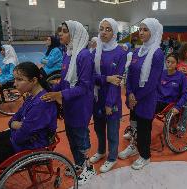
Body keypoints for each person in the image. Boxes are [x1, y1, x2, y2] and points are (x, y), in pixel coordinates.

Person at [0, 62, 58, 189]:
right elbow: (14, 119)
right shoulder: (31, 97)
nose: (14, 83)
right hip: (17, 137)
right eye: (15, 79)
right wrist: (14, 124)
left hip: (28, 144)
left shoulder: (42, 104)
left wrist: (16, 126)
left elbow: (21, 136)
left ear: (34, 80)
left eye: (19, 79)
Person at [41, 20, 95, 185]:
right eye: (61, 31)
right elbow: (65, 81)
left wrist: (60, 93)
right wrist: (51, 88)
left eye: (64, 31)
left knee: (80, 136)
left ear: (75, 34)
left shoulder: (84, 55)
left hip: (80, 105)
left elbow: (84, 87)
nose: (60, 34)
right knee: (71, 135)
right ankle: (79, 164)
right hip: (69, 103)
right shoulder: (68, 53)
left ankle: (89, 168)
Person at [118, 18, 164, 170]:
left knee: (144, 128)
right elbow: (130, 74)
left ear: (154, 32)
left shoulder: (157, 54)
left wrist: (135, 97)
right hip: (134, 97)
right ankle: (134, 147)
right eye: (141, 29)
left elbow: (152, 82)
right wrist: (130, 93)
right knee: (134, 126)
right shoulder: (138, 50)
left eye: (145, 30)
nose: (141, 32)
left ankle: (145, 156)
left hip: (146, 99)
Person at [89, 18, 127, 173]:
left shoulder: (120, 53)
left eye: (108, 29)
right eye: (101, 28)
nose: (103, 32)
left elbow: (116, 81)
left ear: (114, 32)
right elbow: (90, 77)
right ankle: (101, 151)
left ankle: (112, 157)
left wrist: (110, 103)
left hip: (111, 99)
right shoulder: (95, 51)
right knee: (98, 129)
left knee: (112, 131)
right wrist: (106, 78)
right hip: (96, 98)